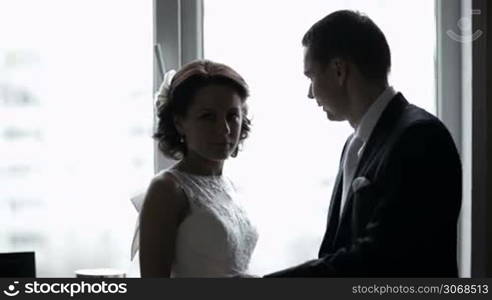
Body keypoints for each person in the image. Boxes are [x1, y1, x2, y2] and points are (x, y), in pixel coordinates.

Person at [265, 10, 462, 277]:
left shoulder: (420, 138)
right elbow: (338, 248)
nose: (310, 93)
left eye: (311, 76)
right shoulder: (354, 144)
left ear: (338, 70)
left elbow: (380, 258)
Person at [132, 60, 258, 277]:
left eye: (232, 116)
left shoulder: (229, 185)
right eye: (208, 117)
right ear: (180, 122)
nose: (224, 129)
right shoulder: (167, 189)